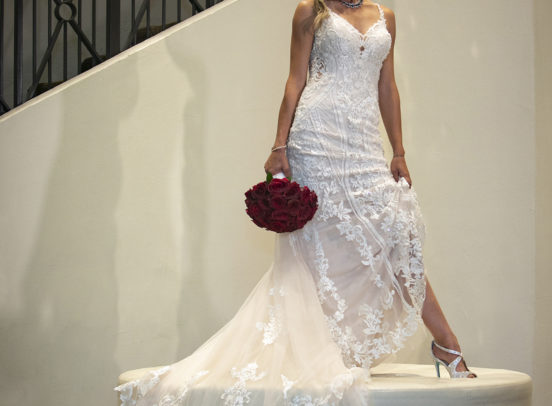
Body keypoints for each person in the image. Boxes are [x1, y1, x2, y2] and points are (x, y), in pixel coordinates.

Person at [115, 1, 475, 405]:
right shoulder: (311, 9)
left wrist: (399, 150)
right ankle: (441, 343)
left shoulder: (385, 16)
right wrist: (279, 144)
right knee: (317, 250)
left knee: (397, 233)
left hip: (362, 142)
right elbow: (296, 79)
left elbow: (386, 86)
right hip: (316, 137)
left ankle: (443, 342)